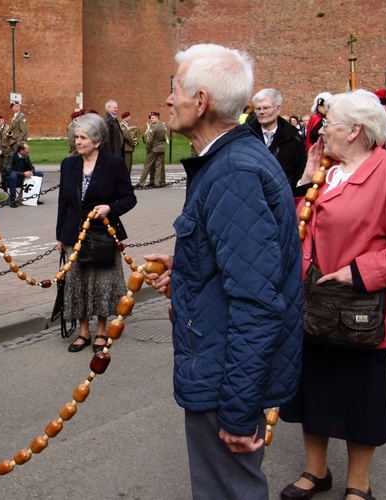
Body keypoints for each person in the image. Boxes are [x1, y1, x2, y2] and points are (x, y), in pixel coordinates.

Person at [146, 44, 303, 499]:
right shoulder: (229, 161)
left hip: (222, 375)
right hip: (217, 361)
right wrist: (187, 266)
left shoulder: (232, 171)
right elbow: (242, 262)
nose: (169, 99)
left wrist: (237, 409)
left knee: (229, 491)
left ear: (201, 101)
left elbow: (258, 301)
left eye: (175, 89)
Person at [278, 90, 386, 500]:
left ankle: (358, 484)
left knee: (359, 401)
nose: (320, 129)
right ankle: (316, 472)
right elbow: (293, 225)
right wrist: (304, 178)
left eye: (328, 123)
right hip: (311, 306)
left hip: (359, 311)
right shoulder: (326, 169)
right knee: (311, 392)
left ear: (354, 131)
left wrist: (358, 272)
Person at [56, 113, 136, 353]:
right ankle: (83, 332)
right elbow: (63, 203)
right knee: (77, 282)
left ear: (97, 141)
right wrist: (60, 235)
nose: (78, 141)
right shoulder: (68, 164)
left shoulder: (113, 164)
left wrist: (110, 208)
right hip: (74, 234)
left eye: (83, 138)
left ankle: (101, 329)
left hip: (103, 235)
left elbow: (129, 198)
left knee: (102, 282)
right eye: (76, 136)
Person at [249, 88, 307, 189]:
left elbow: (299, 172)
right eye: (258, 109)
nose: (261, 112)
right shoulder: (247, 136)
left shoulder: (294, 139)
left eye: (266, 108)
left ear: (278, 109)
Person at [7, 141, 44, 207]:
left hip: (25, 178)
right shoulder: (12, 156)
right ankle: (12, 200)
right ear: (22, 151)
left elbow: (32, 167)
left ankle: (35, 198)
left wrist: (31, 173)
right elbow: (8, 170)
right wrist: (23, 174)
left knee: (39, 174)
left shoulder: (26, 157)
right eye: (27, 149)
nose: (29, 151)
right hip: (16, 178)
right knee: (13, 176)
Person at [137, 112, 167, 187]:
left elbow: (150, 140)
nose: (151, 119)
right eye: (151, 118)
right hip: (161, 148)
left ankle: (141, 183)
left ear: (157, 117)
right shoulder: (163, 126)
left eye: (153, 118)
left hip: (154, 148)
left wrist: (147, 148)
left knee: (147, 165)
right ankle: (157, 182)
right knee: (158, 166)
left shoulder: (153, 127)